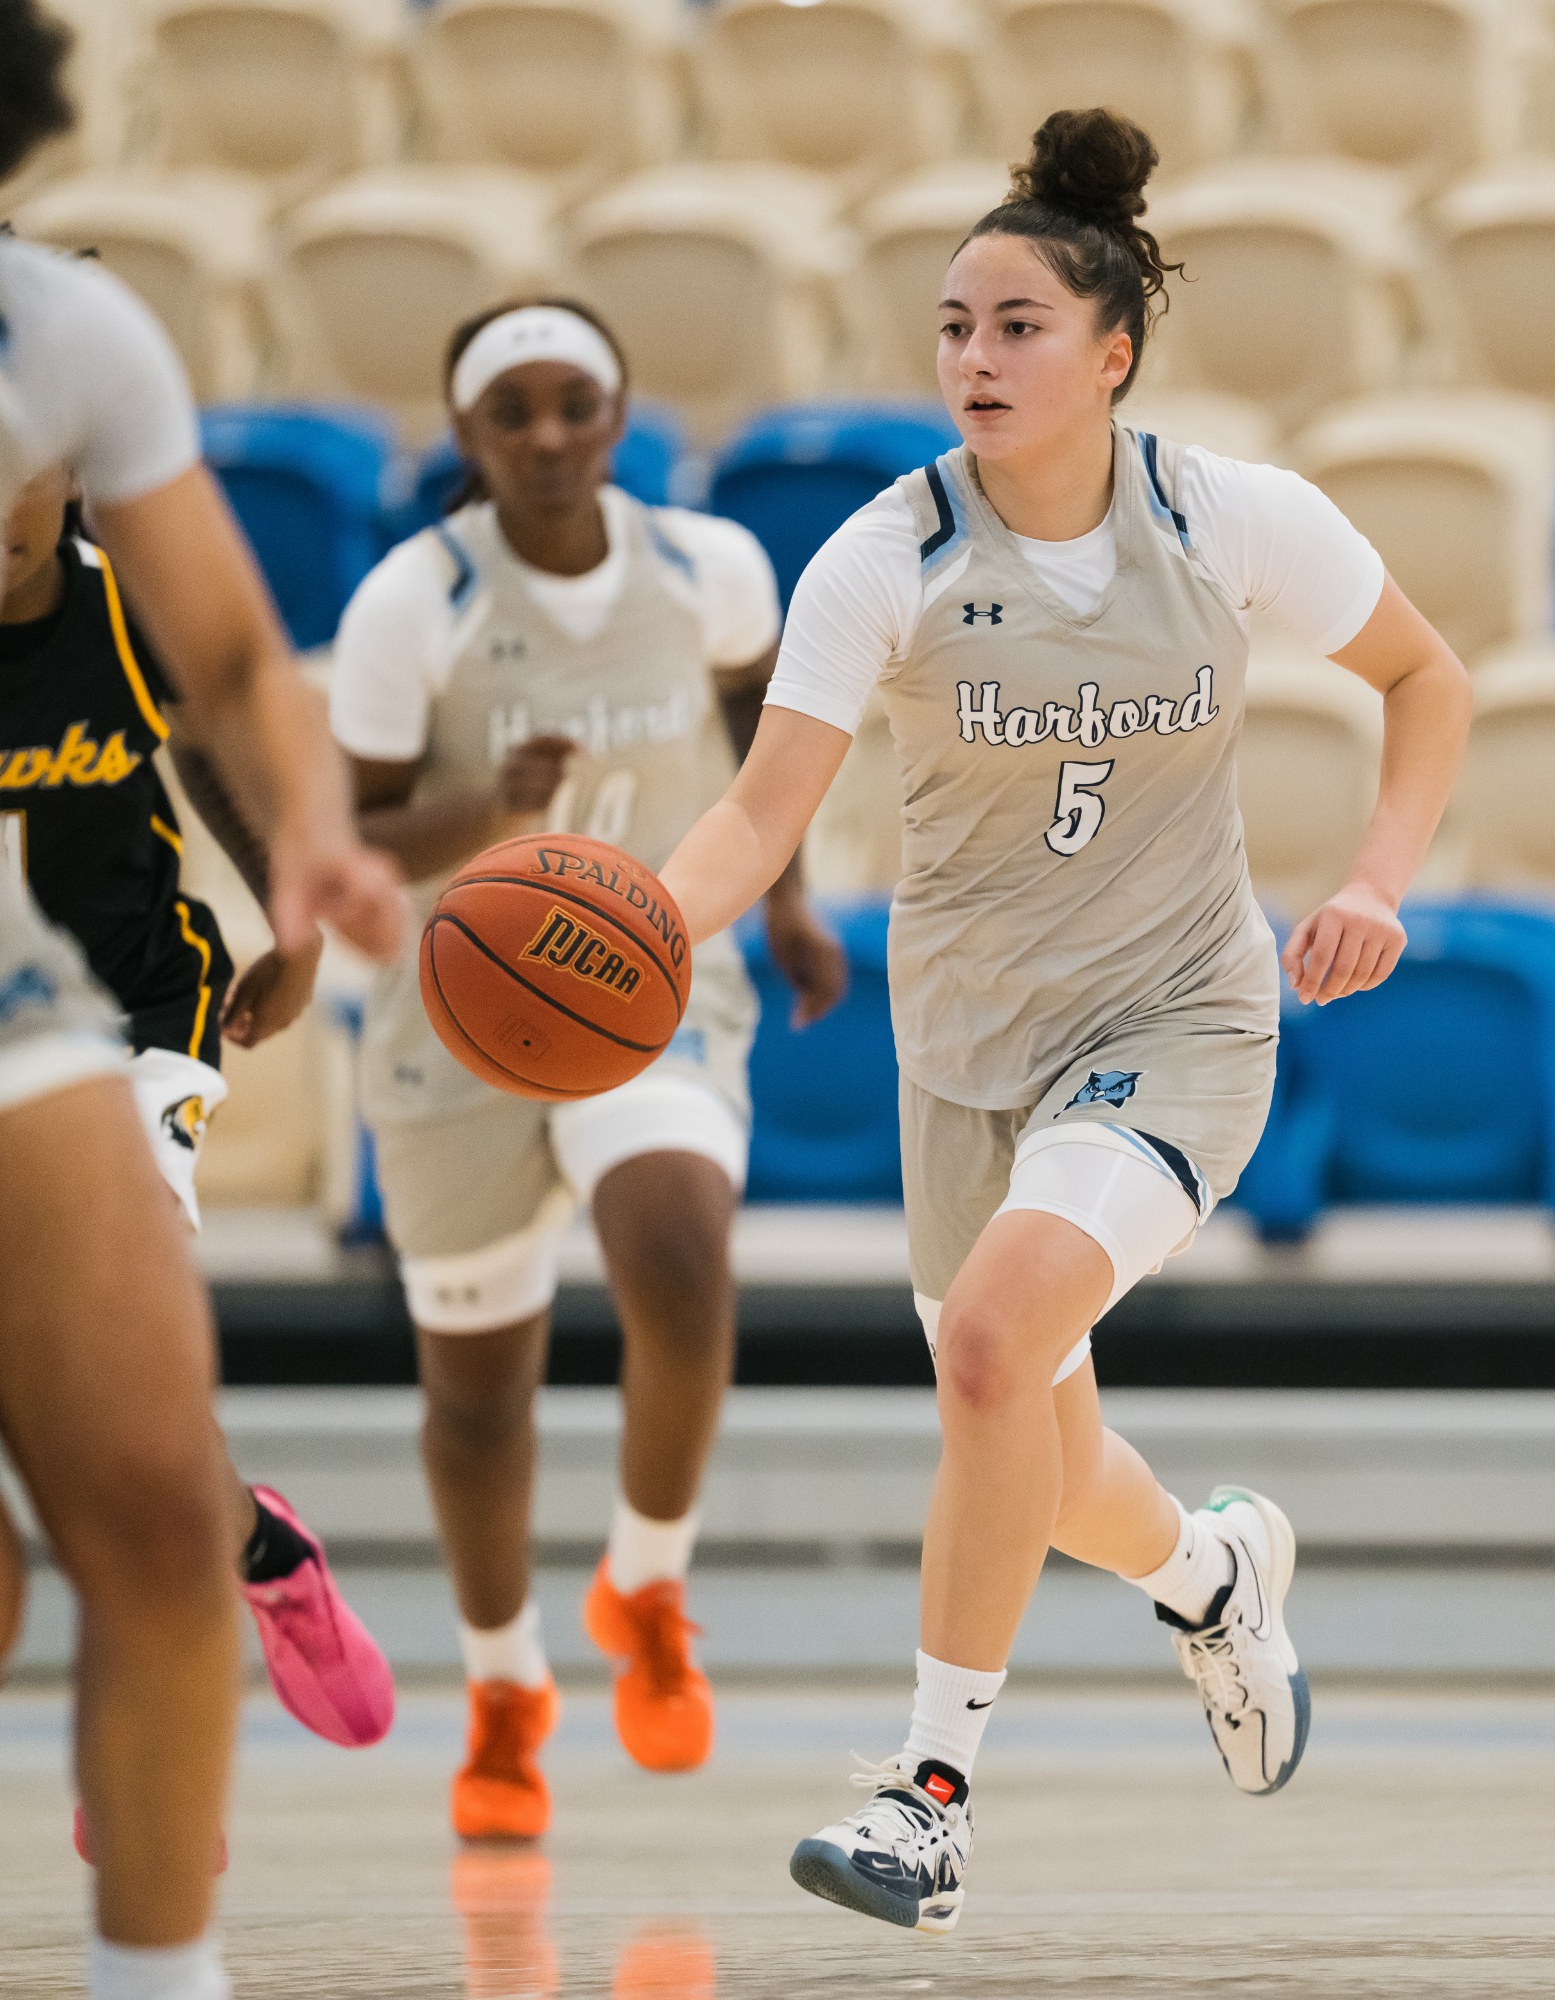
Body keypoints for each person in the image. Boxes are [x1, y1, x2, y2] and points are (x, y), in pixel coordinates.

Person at [656, 108, 1473, 1932]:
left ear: (1113, 353)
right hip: (967, 1058)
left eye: (1016, 325)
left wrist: (1377, 881)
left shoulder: (1228, 515)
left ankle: (926, 1798)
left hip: (1184, 1017)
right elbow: (753, 822)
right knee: (1041, 1443)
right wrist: (638, 924)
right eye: (953, 326)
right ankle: (1210, 1579)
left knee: (987, 1352)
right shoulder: (884, 555)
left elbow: (1429, 677)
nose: (973, 358)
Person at [0, 6, 404, 1998]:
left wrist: (303, 834)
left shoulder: (52, 335)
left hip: (34, 996)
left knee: (142, 1503)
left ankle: (165, 1958)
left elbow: (231, 659)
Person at [329, 298, 846, 1838]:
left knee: (681, 1260)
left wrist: (800, 908)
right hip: (459, 1020)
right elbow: (350, 849)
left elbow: (765, 739)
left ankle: (647, 1583)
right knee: (478, 1398)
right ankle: (502, 1691)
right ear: (467, 435)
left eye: (577, 404)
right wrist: (485, 813)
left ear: (621, 417)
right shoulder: (407, 605)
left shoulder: (714, 569)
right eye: (515, 411)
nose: (548, 434)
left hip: (651, 987)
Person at [0, 467, 396, 1840]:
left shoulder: (129, 605)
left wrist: (293, 910)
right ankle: (262, 1548)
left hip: (139, 1021)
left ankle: (148, 1772)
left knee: (119, 1366)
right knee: (78, 1415)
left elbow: (214, 742)